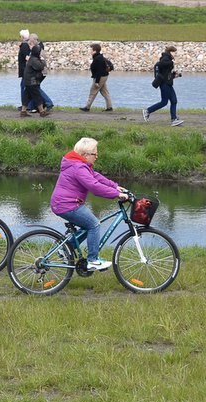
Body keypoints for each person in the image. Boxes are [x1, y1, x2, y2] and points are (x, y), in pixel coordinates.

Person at [50, 137, 128, 271]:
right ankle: (93, 260)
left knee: (88, 225)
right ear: (85, 154)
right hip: (66, 205)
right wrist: (116, 194)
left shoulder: (80, 164)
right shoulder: (78, 167)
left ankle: (65, 248)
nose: (97, 157)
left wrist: (115, 187)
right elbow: (94, 186)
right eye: (95, 154)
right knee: (94, 224)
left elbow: (96, 177)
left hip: (65, 203)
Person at [143, 46, 183, 126]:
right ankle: (147, 111)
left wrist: (175, 75)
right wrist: (172, 63)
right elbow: (162, 64)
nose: (176, 54)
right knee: (164, 102)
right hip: (164, 84)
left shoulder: (168, 59)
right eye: (175, 52)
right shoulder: (166, 58)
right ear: (171, 52)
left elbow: (166, 73)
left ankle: (174, 119)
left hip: (168, 83)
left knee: (174, 100)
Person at [79, 43, 112, 112]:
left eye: (91, 49)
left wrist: (97, 82)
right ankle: (109, 107)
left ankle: (87, 107)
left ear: (95, 51)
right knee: (105, 92)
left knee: (93, 92)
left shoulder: (98, 59)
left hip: (100, 77)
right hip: (104, 76)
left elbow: (99, 71)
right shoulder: (98, 57)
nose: (90, 51)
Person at [20, 41, 49, 117]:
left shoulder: (31, 58)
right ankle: (42, 112)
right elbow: (40, 67)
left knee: (27, 96)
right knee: (37, 96)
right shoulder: (34, 60)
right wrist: (43, 60)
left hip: (27, 81)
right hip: (32, 81)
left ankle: (23, 112)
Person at [26, 33, 54, 112]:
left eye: (31, 41)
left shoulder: (38, 49)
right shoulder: (39, 47)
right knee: (34, 88)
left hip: (39, 73)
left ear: (34, 40)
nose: (30, 43)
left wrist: (29, 60)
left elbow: (38, 62)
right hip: (40, 72)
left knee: (35, 88)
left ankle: (48, 102)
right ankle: (33, 106)